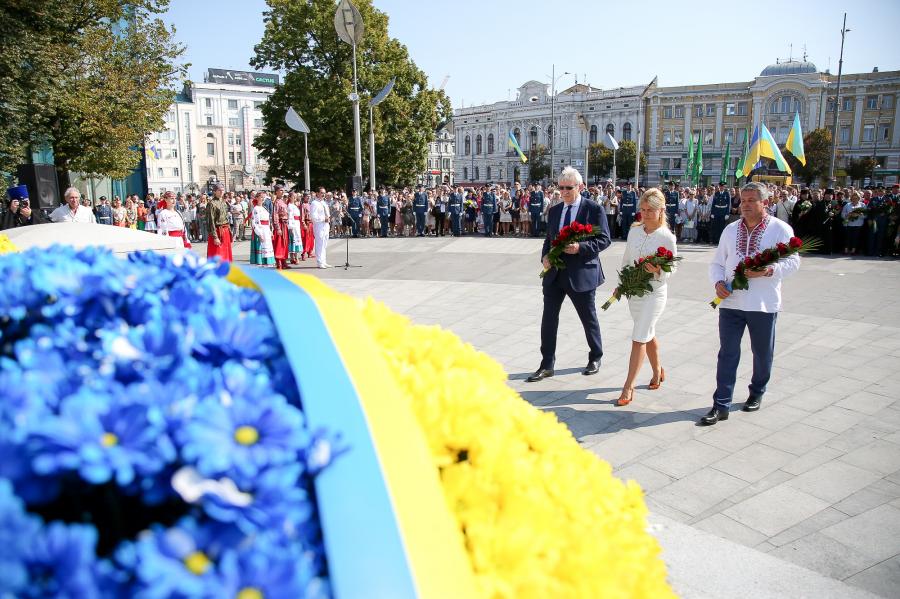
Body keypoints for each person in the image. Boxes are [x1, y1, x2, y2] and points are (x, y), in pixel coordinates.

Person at [703, 182, 801, 426]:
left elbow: (793, 262)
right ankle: (721, 403)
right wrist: (718, 283)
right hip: (731, 302)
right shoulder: (730, 230)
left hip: (762, 304)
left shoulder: (780, 229)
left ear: (764, 203)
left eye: (750, 200)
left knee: (762, 352)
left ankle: (757, 391)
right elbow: (716, 263)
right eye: (742, 200)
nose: (744, 205)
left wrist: (769, 270)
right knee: (727, 353)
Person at [526, 167, 611, 383]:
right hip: (554, 274)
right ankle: (546, 364)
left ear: (580, 187)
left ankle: (595, 356)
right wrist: (545, 256)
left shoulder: (593, 209)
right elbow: (549, 239)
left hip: (581, 273)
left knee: (588, 317)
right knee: (548, 319)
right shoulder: (555, 211)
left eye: (568, 188)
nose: (563, 191)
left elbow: (604, 240)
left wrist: (580, 247)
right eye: (560, 187)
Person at [615, 189, 677, 406]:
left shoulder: (667, 237)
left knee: (639, 336)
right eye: (642, 210)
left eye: (650, 210)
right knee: (647, 332)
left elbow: (672, 267)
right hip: (635, 292)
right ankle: (658, 370)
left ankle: (628, 386)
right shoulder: (634, 231)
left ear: (661, 211)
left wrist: (658, 270)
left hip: (655, 292)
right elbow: (627, 259)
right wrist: (622, 285)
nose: (646, 214)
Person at [206, 183, 233, 262]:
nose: (221, 192)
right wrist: (215, 237)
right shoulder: (211, 204)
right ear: (214, 191)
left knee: (226, 254)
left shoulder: (224, 202)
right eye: (219, 190)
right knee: (217, 254)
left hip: (225, 231)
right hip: (217, 231)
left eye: (222, 190)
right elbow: (210, 221)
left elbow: (226, 218)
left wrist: (229, 232)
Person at [250, 194, 276, 267]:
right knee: (261, 246)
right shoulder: (256, 209)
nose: (263, 199)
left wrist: (270, 230)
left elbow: (268, 220)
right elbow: (255, 222)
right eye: (261, 197)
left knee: (267, 246)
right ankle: (260, 262)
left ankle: (267, 262)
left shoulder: (264, 208)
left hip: (266, 229)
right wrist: (259, 233)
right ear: (257, 198)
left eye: (263, 197)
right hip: (261, 229)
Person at [310, 188, 331, 268]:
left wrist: (328, 218)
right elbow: (313, 216)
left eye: (324, 193)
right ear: (317, 193)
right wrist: (323, 219)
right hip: (319, 225)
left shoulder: (323, 202)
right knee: (320, 244)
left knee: (324, 244)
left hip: (326, 225)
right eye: (321, 193)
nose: (323, 194)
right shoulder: (314, 203)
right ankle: (319, 262)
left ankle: (324, 261)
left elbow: (327, 213)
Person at [841, 190, 866, 255]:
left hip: (858, 224)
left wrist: (858, 215)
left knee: (855, 238)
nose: (855, 199)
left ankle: (853, 251)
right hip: (848, 224)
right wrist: (847, 215)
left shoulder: (862, 205)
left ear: (859, 198)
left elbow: (866, 215)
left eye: (856, 198)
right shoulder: (847, 205)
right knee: (847, 238)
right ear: (851, 198)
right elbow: (842, 214)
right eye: (853, 198)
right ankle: (846, 250)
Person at [272, 189, 291, 270]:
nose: (282, 192)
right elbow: (275, 215)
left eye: (283, 190)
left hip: (285, 224)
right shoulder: (276, 202)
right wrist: (278, 228)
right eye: (280, 190)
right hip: (280, 224)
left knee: (285, 243)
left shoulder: (283, 201)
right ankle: (279, 262)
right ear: (276, 192)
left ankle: (284, 261)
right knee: (279, 244)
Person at [287, 194, 303, 264]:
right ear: (290, 197)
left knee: (296, 240)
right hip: (293, 224)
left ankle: (295, 257)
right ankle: (293, 257)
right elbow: (290, 217)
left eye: (295, 196)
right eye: (293, 196)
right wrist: (290, 227)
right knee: (292, 240)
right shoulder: (290, 206)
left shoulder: (294, 205)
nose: (295, 198)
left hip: (297, 223)